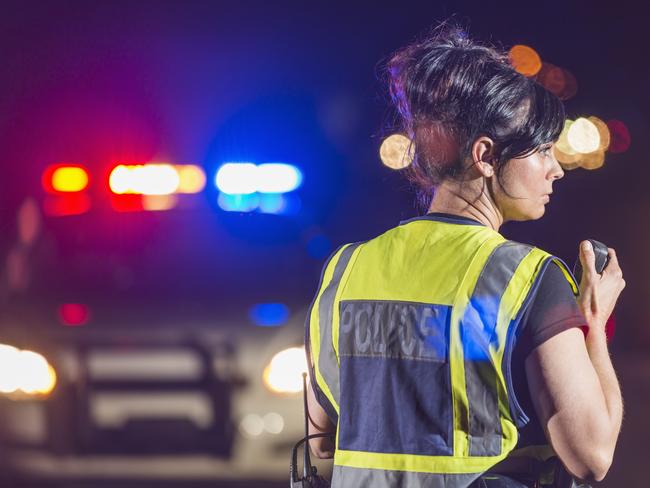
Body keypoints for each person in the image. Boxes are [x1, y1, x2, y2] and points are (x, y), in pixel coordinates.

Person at [304, 25, 625, 488]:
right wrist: (592, 324)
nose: (556, 170)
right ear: (486, 156)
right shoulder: (529, 277)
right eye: (540, 151)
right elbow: (592, 454)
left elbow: (321, 440)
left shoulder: (346, 268)